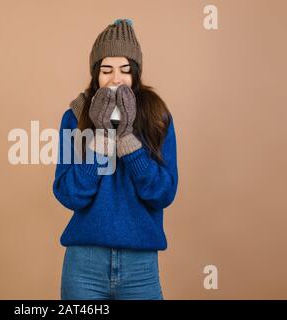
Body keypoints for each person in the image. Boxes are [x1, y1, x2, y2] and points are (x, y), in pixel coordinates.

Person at [52, 18, 179, 300]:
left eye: (125, 69)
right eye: (106, 70)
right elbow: (69, 194)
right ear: (95, 74)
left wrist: (127, 141)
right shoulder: (75, 117)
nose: (116, 79)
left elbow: (163, 193)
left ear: (136, 73)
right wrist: (101, 140)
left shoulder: (158, 117)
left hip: (140, 265)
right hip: (84, 263)